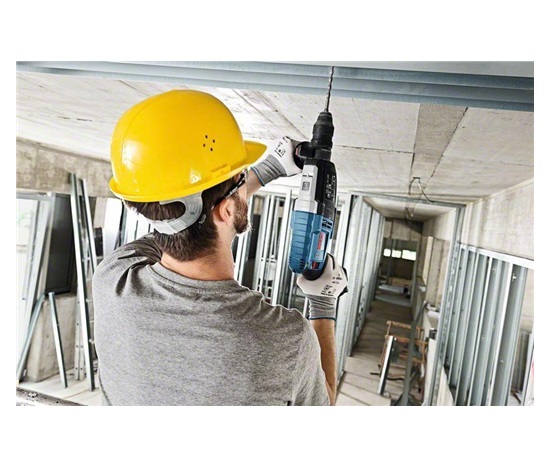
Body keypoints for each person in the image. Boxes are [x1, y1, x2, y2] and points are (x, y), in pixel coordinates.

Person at [92, 89, 348, 405]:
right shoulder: (285, 339)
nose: (246, 179)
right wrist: (323, 303)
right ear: (226, 210)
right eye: (241, 178)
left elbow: (181, 215)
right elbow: (325, 402)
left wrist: (263, 173)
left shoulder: (112, 279)